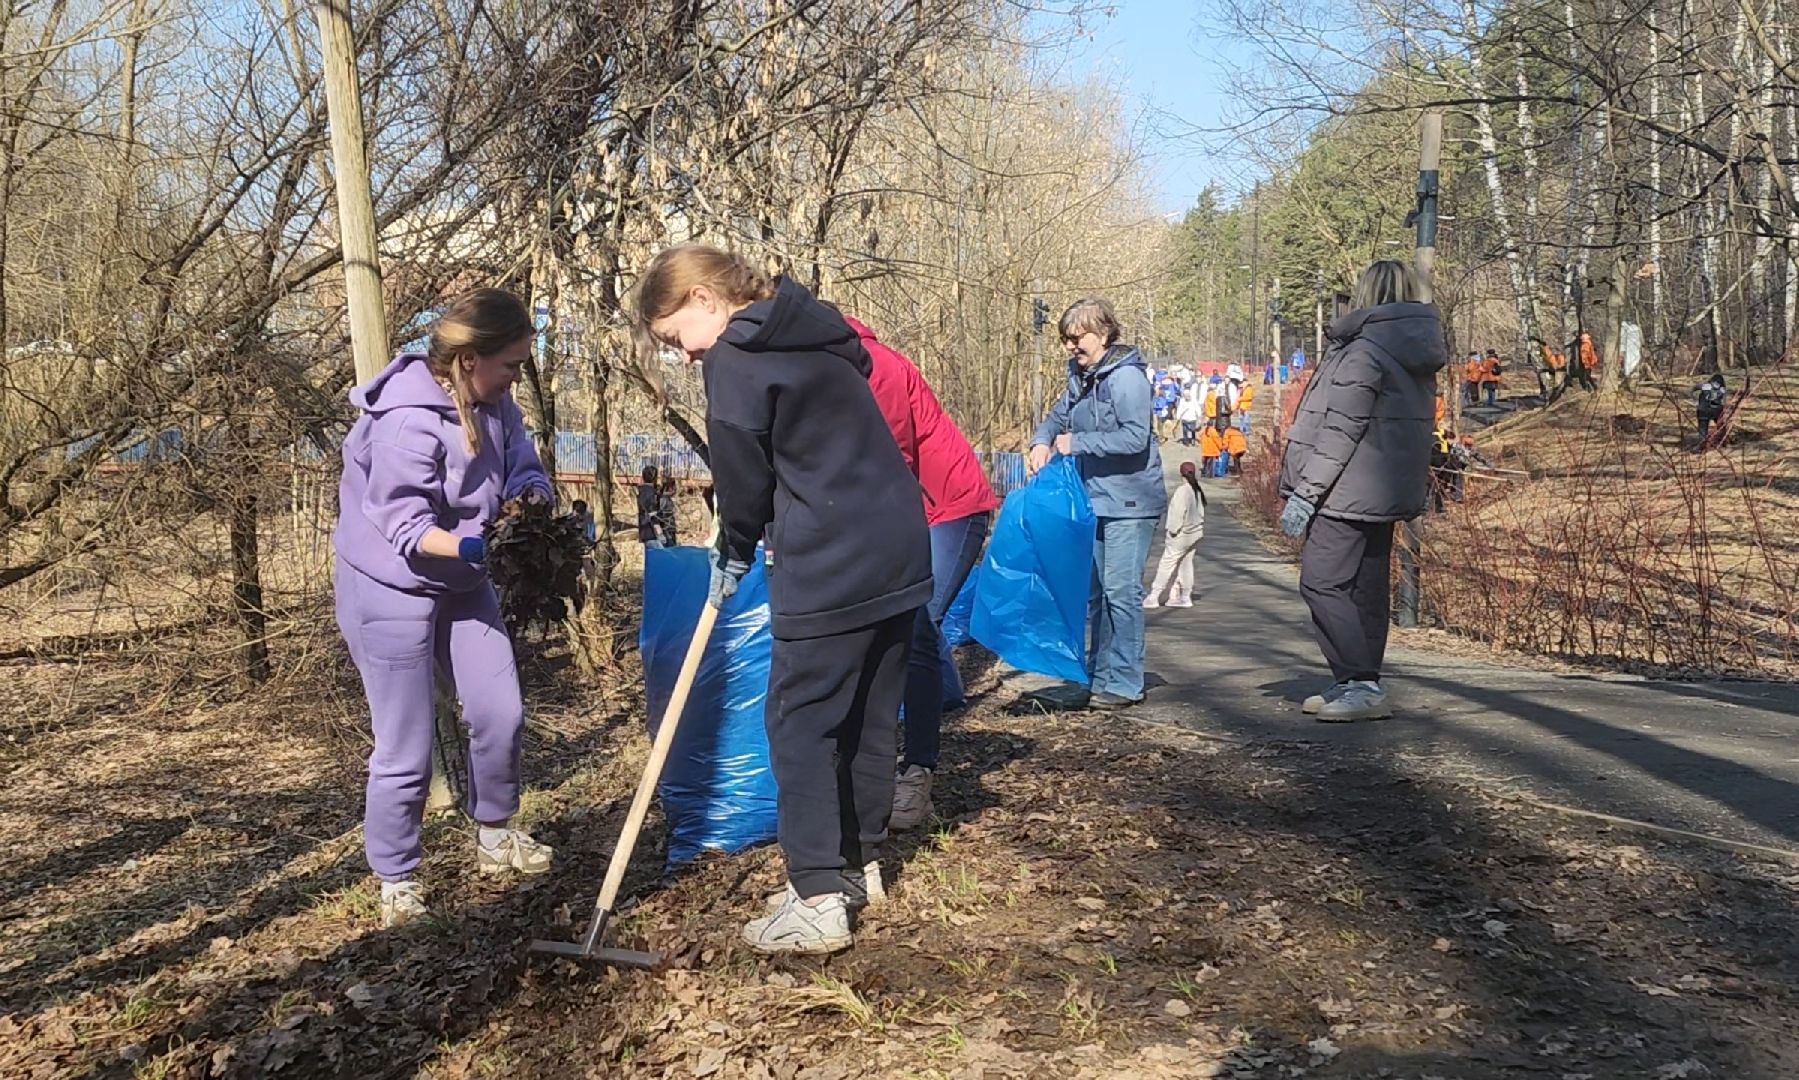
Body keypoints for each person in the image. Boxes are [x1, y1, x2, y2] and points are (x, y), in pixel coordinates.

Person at [631, 244, 930, 955]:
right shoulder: (816, 329)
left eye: (677, 339)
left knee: (799, 724)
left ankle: (817, 898)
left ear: (705, 299)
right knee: (864, 717)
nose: (684, 357)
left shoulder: (737, 354)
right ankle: (854, 868)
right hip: (897, 544)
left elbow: (742, 477)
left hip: (830, 559)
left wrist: (733, 549)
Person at [333, 288, 555, 929]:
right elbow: (405, 525)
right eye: (511, 363)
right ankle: (397, 879)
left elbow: (521, 468)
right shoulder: (405, 419)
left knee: (500, 710)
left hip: (464, 578)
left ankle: (495, 833)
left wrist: (531, 502)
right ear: (469, 359)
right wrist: (473, 543)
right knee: (406, 745)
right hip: (388, 586)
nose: (518, 375)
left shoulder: (496, 401)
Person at [848, 314, 999, 832]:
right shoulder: (836, 368)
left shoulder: (877, 366)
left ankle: (919, 772)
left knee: (915, 622)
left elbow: (889, 459)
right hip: (914, 511)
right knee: (910, 626)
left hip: (950, 507)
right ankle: (942, 697)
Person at [1278, 260, 1445, 723]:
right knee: (1366, 588)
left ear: (1366, 294)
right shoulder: (1414, 350)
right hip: (1383, 489)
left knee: (1322, 581)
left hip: (1343, 490)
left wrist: (1307, 493)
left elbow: (1339, 431)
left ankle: (1359, 682)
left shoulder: (1362, 351)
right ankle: (1356, 682)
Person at [1028, 297, 1167, 709]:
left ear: (1104, 334)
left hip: (1131, 500)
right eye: (1066, 339)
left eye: (1078, 338)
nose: (1072, 346)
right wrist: (1041, 440)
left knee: (1121, 592)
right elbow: (1058, 415)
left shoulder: (1127, 379)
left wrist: (1076, 443)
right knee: (1096, 594)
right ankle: (1098, 677)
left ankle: (1126, 682)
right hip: (1094, 500)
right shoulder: (1081, 376)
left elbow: (1134, 438)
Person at [1145, 461, 1207, 609]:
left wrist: (1172, 531)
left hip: (1182, 534)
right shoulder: (1197, 490)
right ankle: (1185, 596)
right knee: (1186, 564)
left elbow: (1177, 515)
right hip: (1196, 532)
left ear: (1181, 473)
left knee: (1167, 563)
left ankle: (1154, 595)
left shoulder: (1182, 491)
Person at [1695, 372, 1726, 448]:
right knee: (1720, 425)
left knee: (1703, 429)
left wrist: (1695, 401)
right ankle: (1723, 442)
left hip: (1703, 410)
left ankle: (1702, 444)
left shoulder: (1705, 386)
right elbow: (1723, 400)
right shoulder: (1722, 389)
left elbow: (1692, 389)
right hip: (1716, 410)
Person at [636, 465, 663, 547]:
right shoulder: (650, 493)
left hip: (643, 531)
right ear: (654, 478)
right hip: (652, 534)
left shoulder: (641, 491)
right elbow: (653, 515)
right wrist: (660, 534)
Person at [656, 476, 680, 547]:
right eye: (674, 487)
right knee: (669, 544)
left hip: (669, 525)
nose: (675, 489)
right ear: (670, 487)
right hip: (666, 526)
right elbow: (660, 512)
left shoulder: (667, 497)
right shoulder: (663, 498)